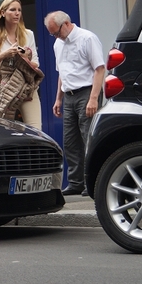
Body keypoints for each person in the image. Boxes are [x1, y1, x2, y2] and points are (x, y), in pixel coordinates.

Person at [44, 11, 105, 196]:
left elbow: (100, 69)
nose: (55, 37)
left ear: (66, 24)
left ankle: (92, 182)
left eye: (56, 32)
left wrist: (93, 98)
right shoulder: (58, 44)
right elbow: (62, 73)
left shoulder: (87, 38)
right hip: (69, 94)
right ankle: (76, 182)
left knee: (88, 138)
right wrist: (58, 98)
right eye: (52, 34)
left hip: (87, 91)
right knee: (70, 141)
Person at [0, 0, 42, 129]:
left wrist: (24, 57)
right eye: (13, 10)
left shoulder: (28, 34)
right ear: (3, 13)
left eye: (19, 10)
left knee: (36, 130)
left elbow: (36, 63)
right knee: (3, 131)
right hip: (4, 90)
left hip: (27, 89)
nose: (17, 13)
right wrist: (4, 54)